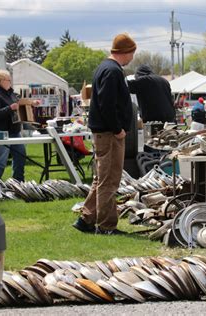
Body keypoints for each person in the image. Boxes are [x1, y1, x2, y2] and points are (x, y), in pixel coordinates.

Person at [72, 33, 136, 235]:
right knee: (110, 180)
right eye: (132, 53)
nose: (132, 58)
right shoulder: (112, 71)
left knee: (101, 178)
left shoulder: (106, 68)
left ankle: (86, 219)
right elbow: (107, 103)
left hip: (105, 132)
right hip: (109, 133)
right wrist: (117, 128)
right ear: (125, 52)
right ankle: (107, 225)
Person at [0, 70, 26, 182]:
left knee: (21, 155)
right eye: (9, 80)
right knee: (0, 160)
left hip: (13, 130)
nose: (10, 82)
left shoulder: (10, 92)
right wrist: (9, 108)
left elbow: (18, 103)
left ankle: (18, 183)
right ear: (1, 81)